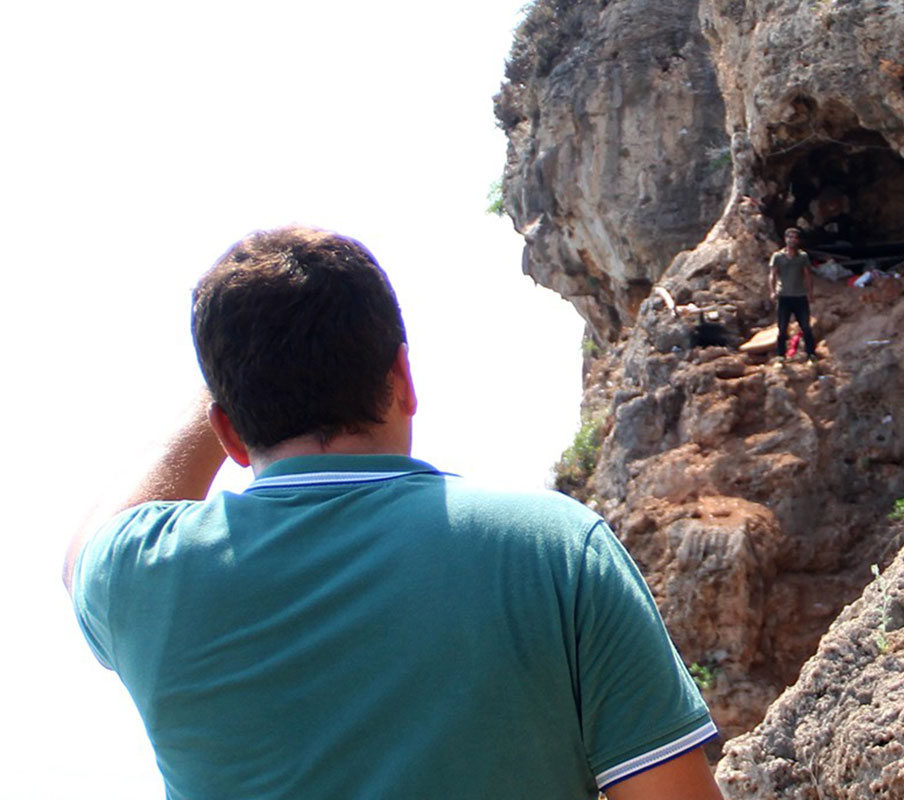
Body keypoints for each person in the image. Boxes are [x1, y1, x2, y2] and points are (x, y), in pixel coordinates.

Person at [64, 226, 723, 800]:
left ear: (228, 432)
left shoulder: (142, 575)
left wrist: (240, 376)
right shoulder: (556, 550)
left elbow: (88, 549)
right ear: (405, 380)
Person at [768, 227, 817, 364]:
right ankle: (781, 356)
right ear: (785, 239)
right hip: (784, 296)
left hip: (800, 296)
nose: (792, 240)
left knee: (806, 327)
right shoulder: (777, 256)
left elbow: (808, 275)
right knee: (782, 328)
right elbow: (772, 274)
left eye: (795, 237)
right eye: (789, 237)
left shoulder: (802, 257)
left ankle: (811, 355)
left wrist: (810, 293)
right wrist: (772, 291)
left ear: (798, 240)